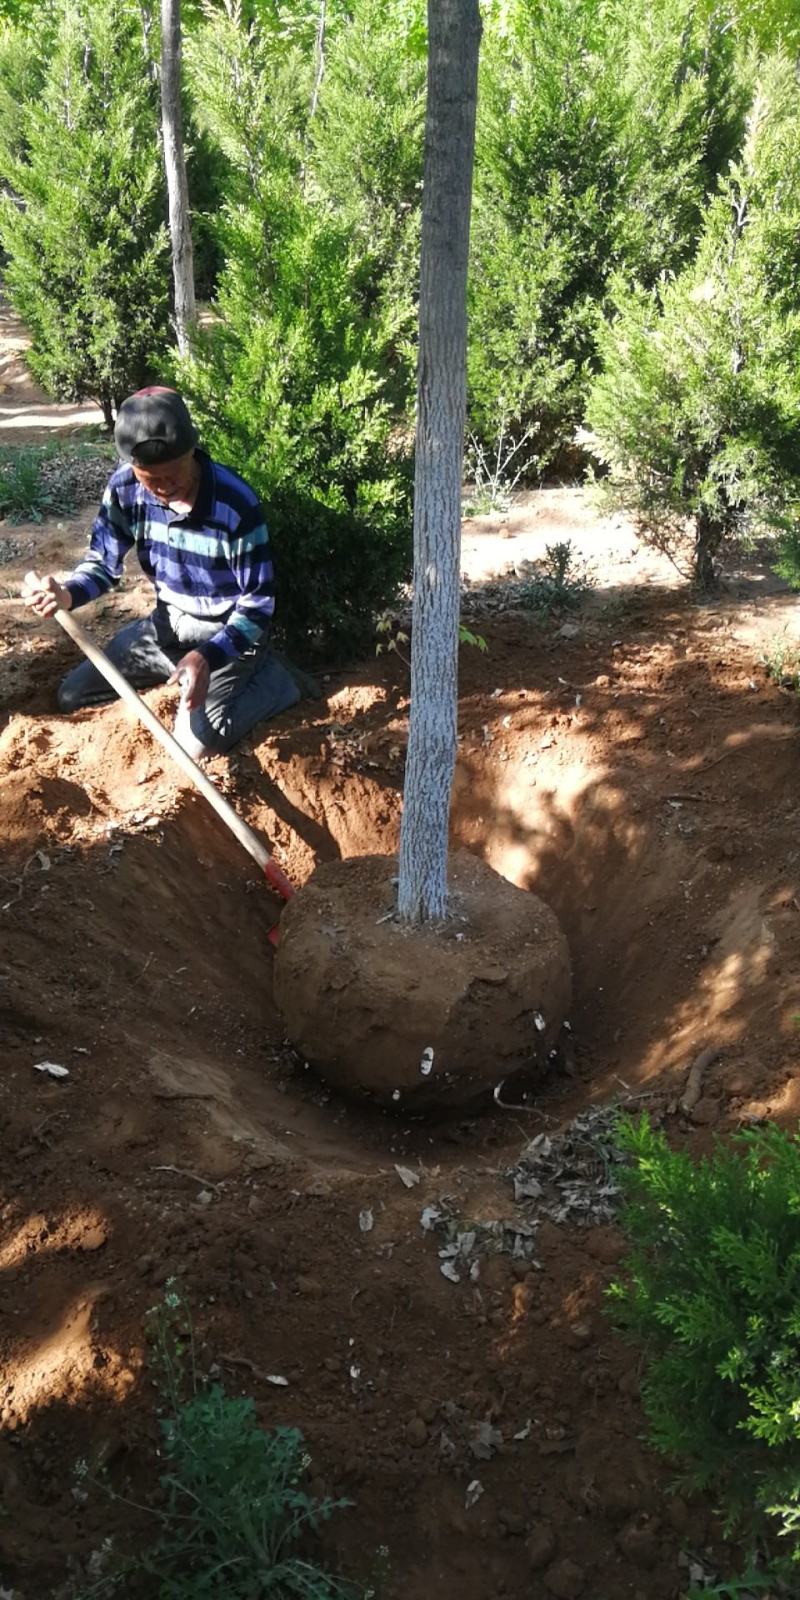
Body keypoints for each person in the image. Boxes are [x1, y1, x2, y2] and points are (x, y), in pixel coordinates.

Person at [21, 386, 300, 759]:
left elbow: (258, 605)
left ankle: (277, 682)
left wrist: (208, 658)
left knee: (198, 744)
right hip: (166, 629)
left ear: (193, 453)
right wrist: (67, 593)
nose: (165, 488)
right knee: (74, 695)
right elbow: (103, 564)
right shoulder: (125, 489)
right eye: (151, 479)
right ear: (133, 468)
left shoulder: (235, 505)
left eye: (175, 474)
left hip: (226, 638)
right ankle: (184, 670)